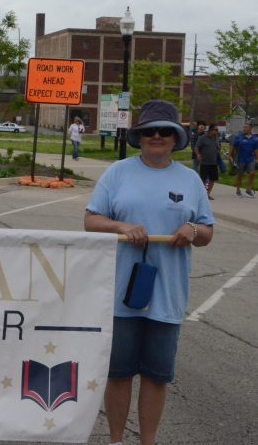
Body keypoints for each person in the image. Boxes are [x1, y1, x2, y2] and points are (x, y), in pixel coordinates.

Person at [84, 100, 213, 445]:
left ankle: (148, 441)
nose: (157, 136)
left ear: (176, 138)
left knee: (157, 377)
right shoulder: (118, 173)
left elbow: (207, 233)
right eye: (149, 131)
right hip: (121, 295)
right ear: (139, 136)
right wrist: (121, 226)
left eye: (165, 131)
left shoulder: (190, 180)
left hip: (167, 296)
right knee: (120, 373)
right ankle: (115, 440)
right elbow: (91, 221)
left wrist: (193, 231)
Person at [195, 124, 221, 200]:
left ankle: (207, 194)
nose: (217, 131)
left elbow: (218, 147)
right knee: (202, 179)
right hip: (204, 162)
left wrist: (219, 148)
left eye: (217, 130)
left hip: (213, 162)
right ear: (211, 130)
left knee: (213, 179)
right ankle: (201, 194)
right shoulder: (202, 138)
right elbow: (196, 147)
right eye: (215, 130)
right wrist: (198, 155)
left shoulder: (216, 138)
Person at [231, 122, 257, 198]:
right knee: (240, 175)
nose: (244, 129)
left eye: (246, 127)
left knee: (252, 173)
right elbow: (232, 146)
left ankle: (248, 190)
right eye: (244, 127)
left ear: (250, 129)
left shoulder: (254, 138)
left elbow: (255, 149)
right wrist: (230, 155)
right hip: (241, 159)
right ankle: (238, 191)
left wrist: (257, 158)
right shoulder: (239, 137)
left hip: (250, 159)